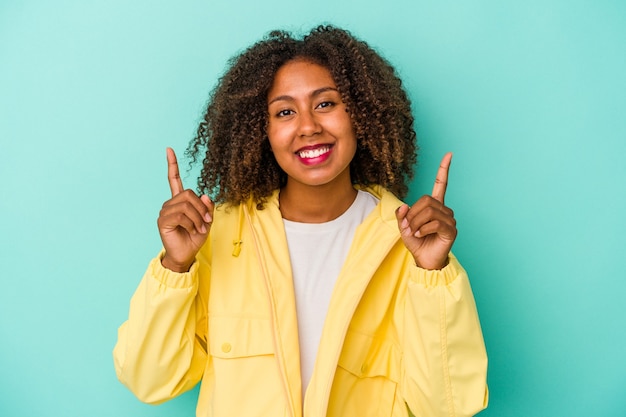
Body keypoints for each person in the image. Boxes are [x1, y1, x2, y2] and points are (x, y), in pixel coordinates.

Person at [113, 25, 488, 417]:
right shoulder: (215, 236)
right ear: (263, 131)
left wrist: (433, 274)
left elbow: (451, 406)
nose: (308, 126)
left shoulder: (410, 246)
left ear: (360, 113)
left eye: (326, 104)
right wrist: (175, 267)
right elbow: (149, 380)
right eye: (285, 111)